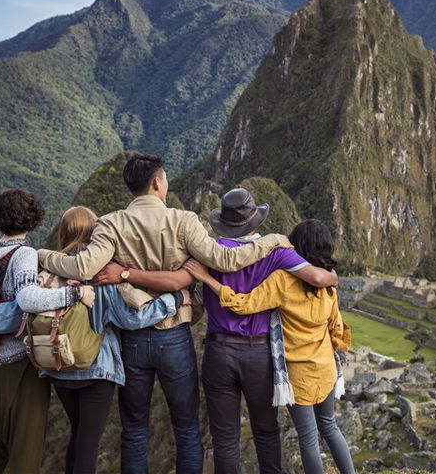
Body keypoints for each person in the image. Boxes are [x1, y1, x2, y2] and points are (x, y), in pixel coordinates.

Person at [36, 154, 305, 474]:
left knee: (134, 430)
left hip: (133, 340)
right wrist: (273, 240)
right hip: (175, 335)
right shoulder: (183, 220)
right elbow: (226, 259)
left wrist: (39, 254)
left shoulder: (111, 223)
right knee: (187, 429)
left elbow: (82, 267)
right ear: (157, 182)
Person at [100, 188, 339, 474]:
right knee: (266, 430)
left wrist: (125, 273)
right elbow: (315, 276)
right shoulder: (276, 254)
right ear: (256, 222)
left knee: (225, 438)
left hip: (218, 351)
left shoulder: (208, 252)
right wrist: (333, 275)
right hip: (259, 355)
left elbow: (176, 280)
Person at [186, 219, 355, 474]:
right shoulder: (329, 285)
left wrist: (207, 279)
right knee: (330, 426)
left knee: (308, 438)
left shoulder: (282, 281)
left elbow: (242, 304)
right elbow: (337, 327)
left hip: (298, 374)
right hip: (326, 368)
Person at [0, 188, 95, 474]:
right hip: (19, 366)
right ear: (33, 220)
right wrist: (73, 295)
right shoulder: (24, 254)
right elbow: (26, 301)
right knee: (24, 456)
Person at [42, 206, 186, 474]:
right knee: (89, 443)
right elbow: (130, 319)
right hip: (95, 369)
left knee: (78, 434)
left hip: (57, 365)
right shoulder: (100, 273)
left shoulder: (49, 271)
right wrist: (173, 300)